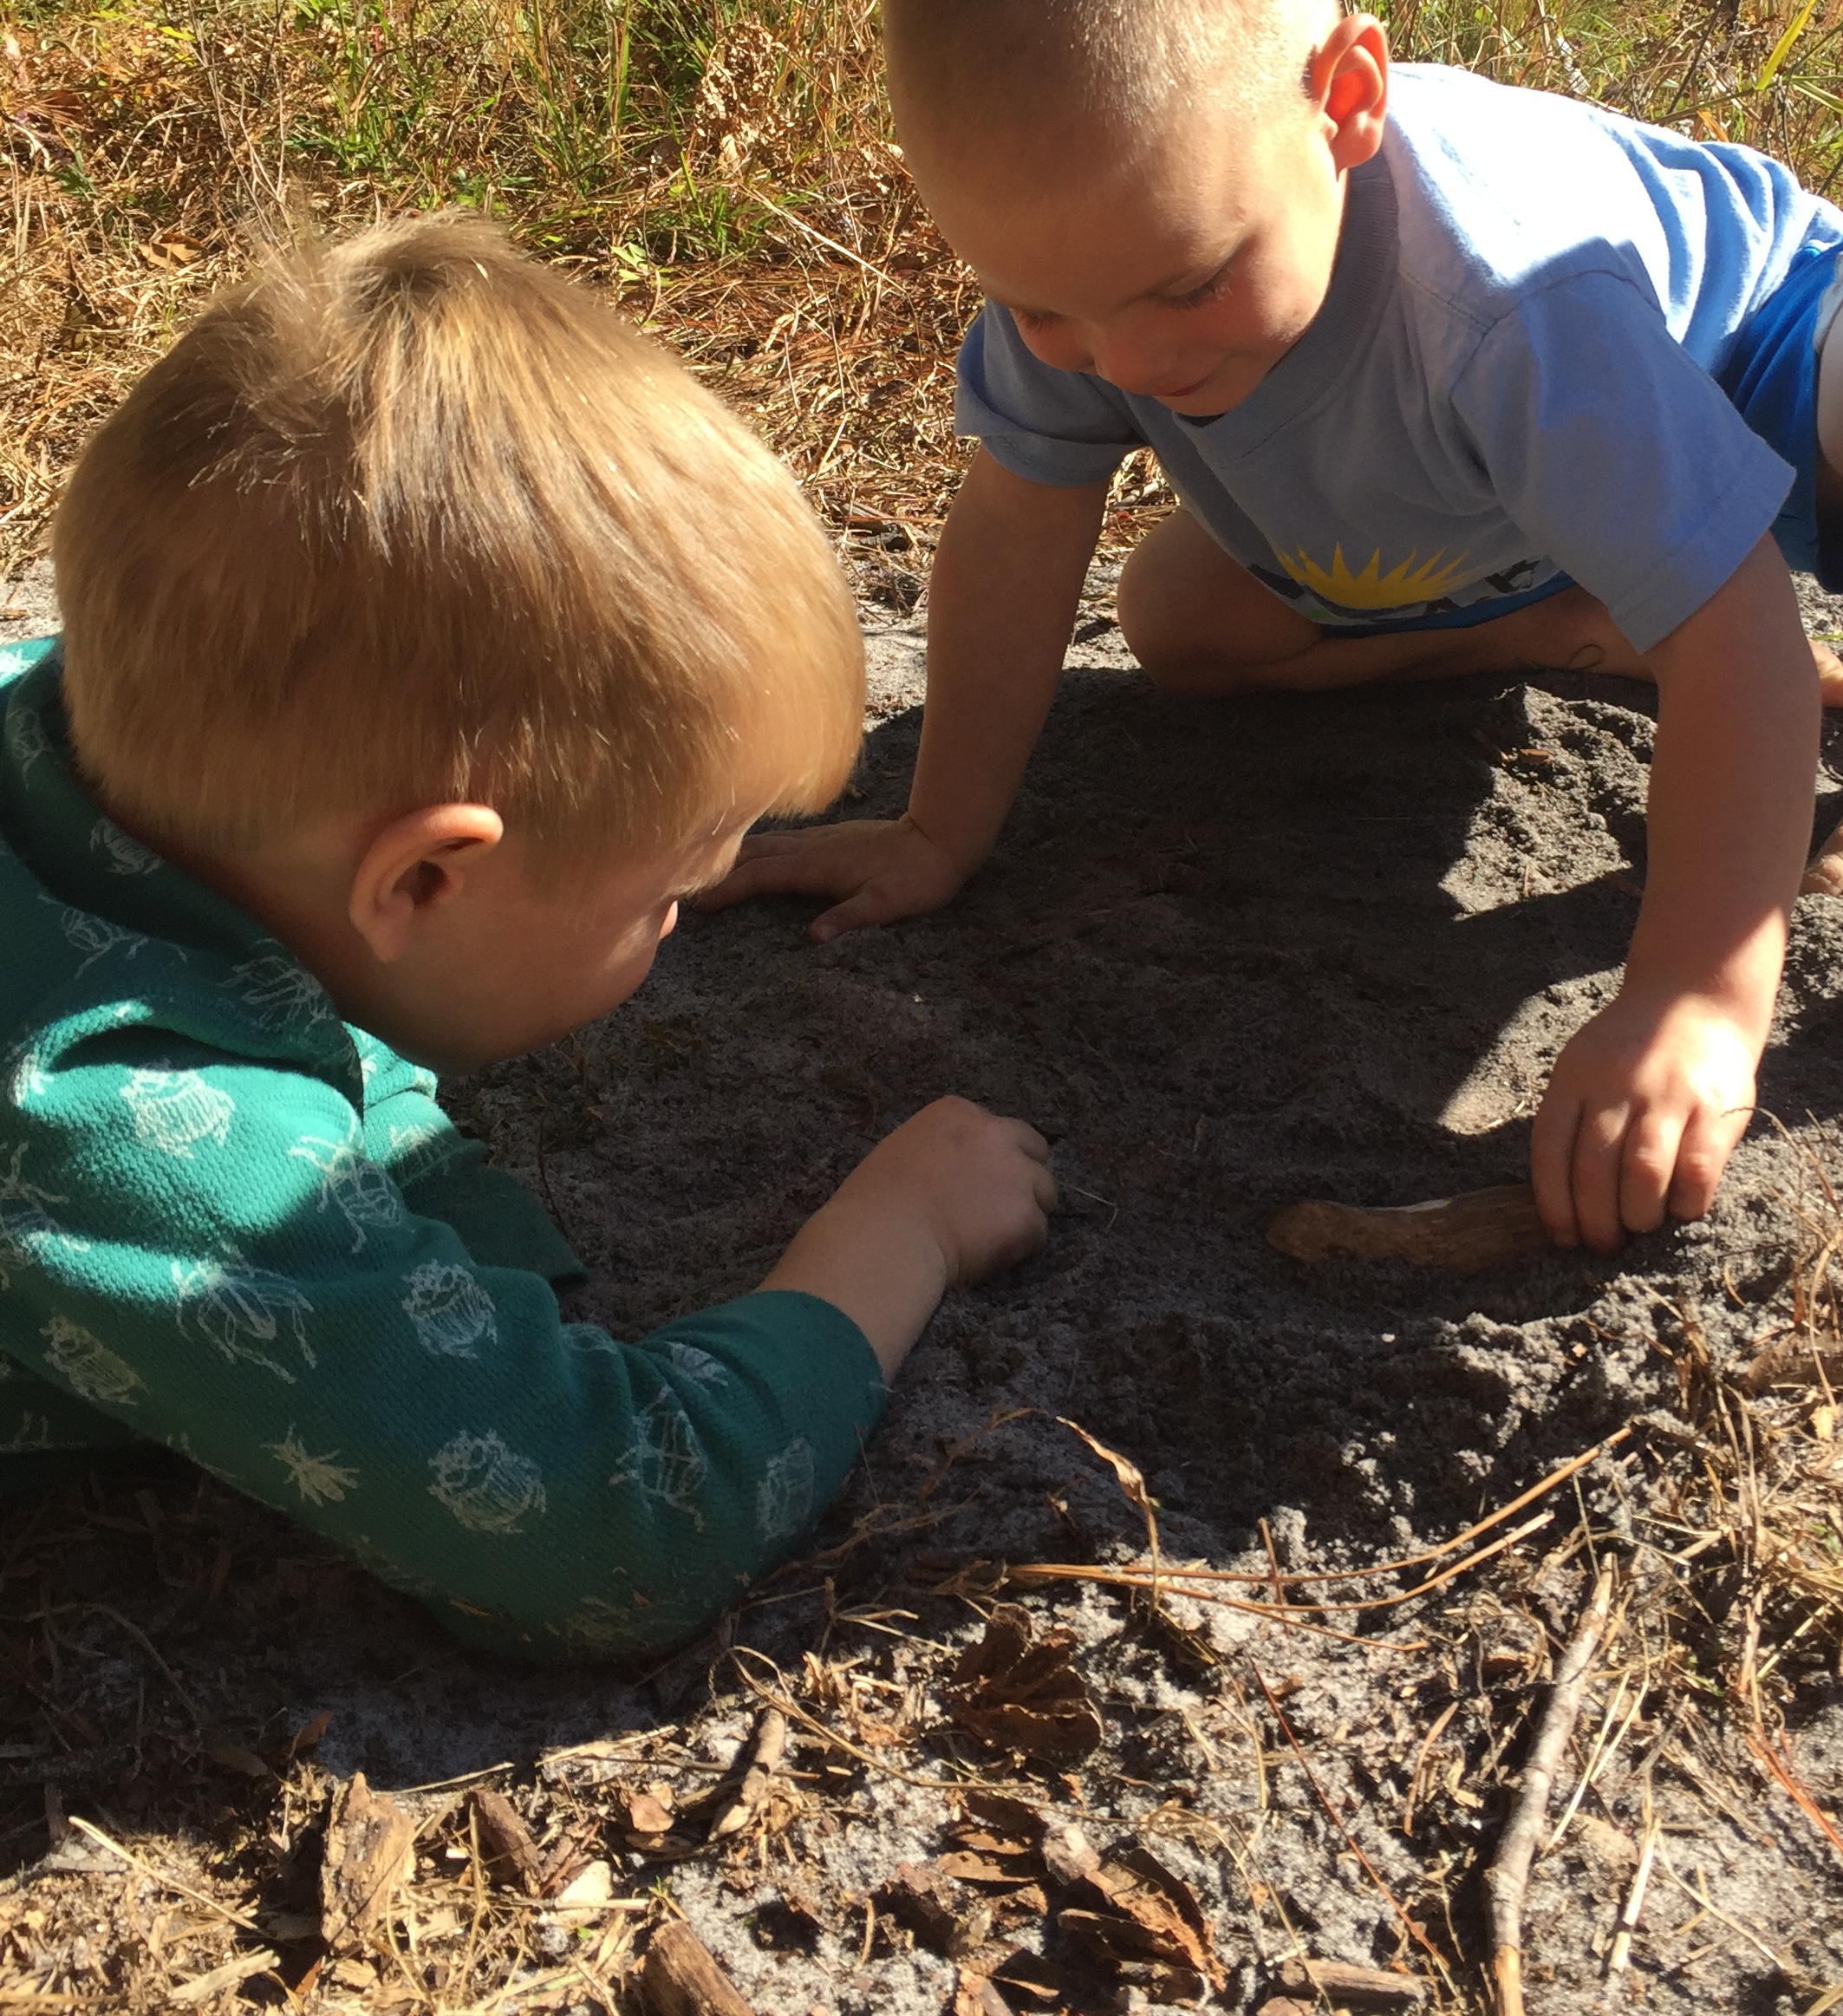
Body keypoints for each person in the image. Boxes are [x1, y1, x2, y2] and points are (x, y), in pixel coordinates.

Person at [712, 0, 1843, 1255]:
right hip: (1482, 514)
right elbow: (1013, 522)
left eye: (1186, 282)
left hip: (1738, 375)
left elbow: (1741, 641)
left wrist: (1696, 997)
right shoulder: (1101, 276)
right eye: (1045, 310)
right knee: (1175, 618)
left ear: (1346, 100)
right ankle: (1568, 610)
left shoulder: (1509, 295)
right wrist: (938, 830)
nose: (1133, 362)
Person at [0, 219, 1053, 1659]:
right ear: (427, 881)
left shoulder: (84, 732)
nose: (679, 929)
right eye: (664, 895)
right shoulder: (139, 1133)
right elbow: (617, 1528)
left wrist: (476, 1233)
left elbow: (308, 1008)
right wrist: (895, 1233)